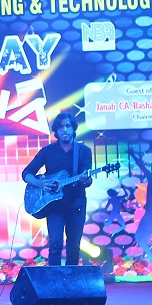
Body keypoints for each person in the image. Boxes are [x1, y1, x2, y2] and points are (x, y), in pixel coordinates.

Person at [22, 110, 94, 267]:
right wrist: (40, 184)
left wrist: (85, 180)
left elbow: (87, 180)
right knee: (55, 246)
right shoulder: (47, 151)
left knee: (73, 247)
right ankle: (53, 279)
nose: (65, 130)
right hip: (54, 205)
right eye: (61, 127)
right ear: (56, 130)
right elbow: (26, 173)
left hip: (76, 204)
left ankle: (70, 279)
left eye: (68, 126)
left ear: (73, 129)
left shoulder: (84, 151)